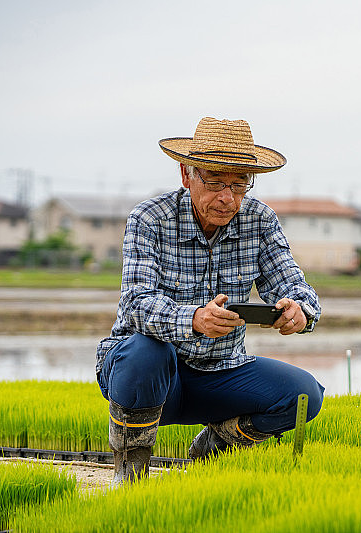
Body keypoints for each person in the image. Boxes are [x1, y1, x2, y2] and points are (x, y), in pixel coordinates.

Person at [95, 117, 324, 485]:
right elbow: (137, 304)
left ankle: (215, 446)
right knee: (145, 351)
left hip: (219, 372)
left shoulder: (260, 220)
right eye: (215, 182)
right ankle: (130, 476)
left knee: (304, 395)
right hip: (150, 378)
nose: (227, 198)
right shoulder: (150, 219)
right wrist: (195, 319)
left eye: (239, 184)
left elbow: (294, 285)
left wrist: (299, 309)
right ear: (187, 175)